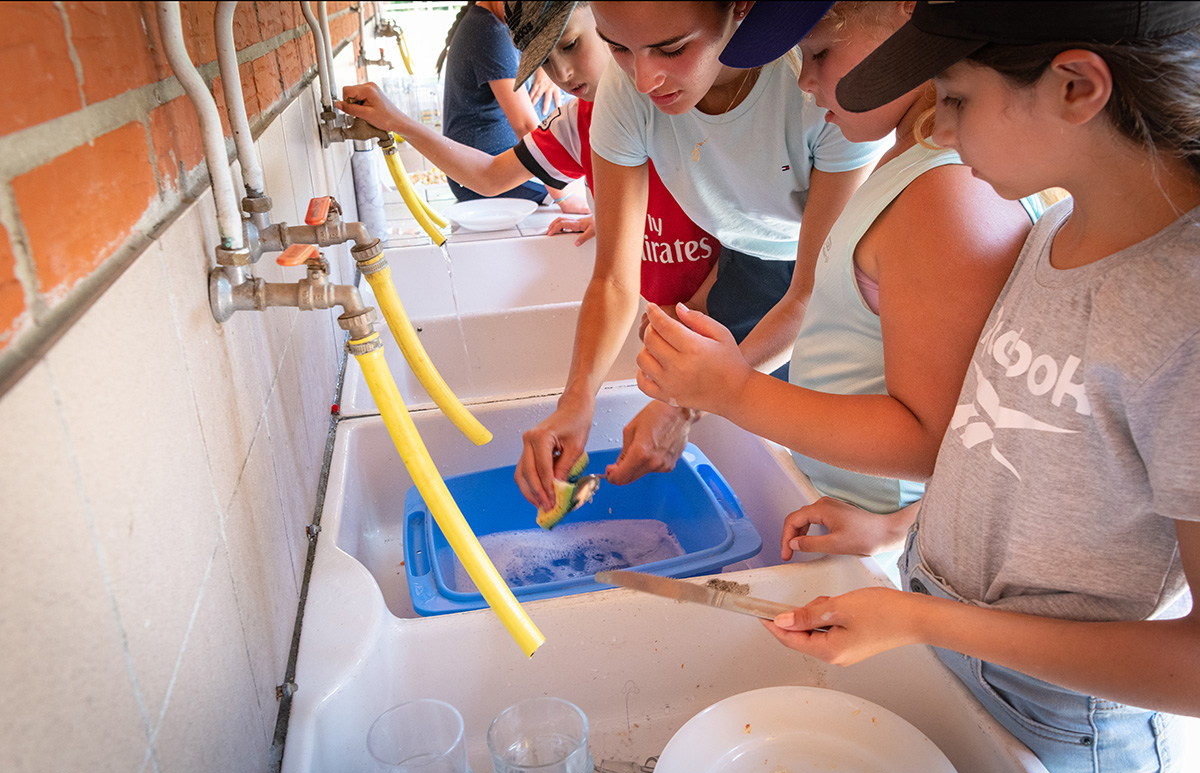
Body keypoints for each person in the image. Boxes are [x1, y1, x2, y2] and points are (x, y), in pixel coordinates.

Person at [758, 3, 1200, 773]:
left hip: (1066, 719)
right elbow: (1033, 457)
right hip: (948, 633)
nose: (941, 131)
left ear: (1076, 88)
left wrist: (924, 617)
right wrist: (900, 528)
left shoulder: (1181, 312)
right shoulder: (1055, 232)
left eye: (957, 99)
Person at [635, 0, 1043, 522]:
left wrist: (732, 390)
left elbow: (933, 439)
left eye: (821, 51)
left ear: (909, 16)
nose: (805, 81)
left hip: (881, 510)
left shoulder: (944, 191)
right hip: (853, 507)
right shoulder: (912, 163)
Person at [515, 1, 886, 513]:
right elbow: (615, 280)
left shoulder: (816, 81)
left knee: (820, 460)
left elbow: (808, 295)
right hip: (742, 252)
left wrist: (683, 406)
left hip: (831, 269)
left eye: (672, 48)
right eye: (618, 47)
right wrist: (576, 400)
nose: (645, 79)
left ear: (740, 9)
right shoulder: (626, 93)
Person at [338, 2, 721, 312]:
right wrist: (397, 121)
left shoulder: (693, 105)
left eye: (571, 45)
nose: (564, 73)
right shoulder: (578, 121)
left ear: (608, 21)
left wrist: (695, 314)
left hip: (722, 319)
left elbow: (754, 241)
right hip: (669, 318)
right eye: (544, 62)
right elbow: (490, 176)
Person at [435, 0, 582, 207]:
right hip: (483, 175)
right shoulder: (490, 33)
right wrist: (564, 197)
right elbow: (525, 125)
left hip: (486, 169)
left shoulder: (492, 22)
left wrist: (543, 67)